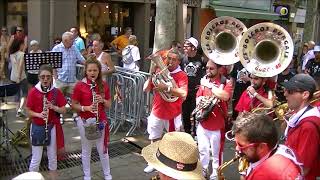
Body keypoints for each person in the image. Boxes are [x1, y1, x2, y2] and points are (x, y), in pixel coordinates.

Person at [143, 47, 188, 173]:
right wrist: (151, 74)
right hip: (157, 111)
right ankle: (153, 162)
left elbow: (183, 93)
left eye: (174, 60)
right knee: (154, 137)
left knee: (173, 140)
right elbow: (146, 89)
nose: (170, 62)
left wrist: (167, 88)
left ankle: (173, 164)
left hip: (173, 114)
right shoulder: (159, 70)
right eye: (169, 58)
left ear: (179, 62)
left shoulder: (182, 75)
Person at [72, 58, 112, 180]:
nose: (92, 73)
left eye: (95, 70)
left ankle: (107, 174)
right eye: (90, 70)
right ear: (86, 71)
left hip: (100, 121)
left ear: (99, 71)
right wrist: (86, 108)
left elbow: (109, 104)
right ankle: (87, 175)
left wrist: (103, 100)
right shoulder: (80, 85)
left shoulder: (103, 85)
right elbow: (73, 105)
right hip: (85, 121)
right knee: (86, 150)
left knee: (102, 149)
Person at [26, 64, 67, 179]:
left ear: (52, 78)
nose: (45, 79)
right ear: (38, 77)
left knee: (52, 157)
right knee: (36, 158)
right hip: (37, 127)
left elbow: (63, 110)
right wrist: (39, 114)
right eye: (43, 77)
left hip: (51, 127)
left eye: (48, 77)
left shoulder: (56, 92)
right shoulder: (33, 92)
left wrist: (53, 107)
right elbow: (28, 111)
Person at [232, 112, 302, 179]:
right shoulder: (285, 150)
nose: (237, 148)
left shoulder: (262, 175)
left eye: (241, 145)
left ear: (261, 147)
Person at [196, 60, 232, 179]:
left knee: (217, 153)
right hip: (203, 121)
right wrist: (200, 100)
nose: (208, 71)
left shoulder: (226, 82)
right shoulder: (204, 80)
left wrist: (209, 86)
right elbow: (198, 97)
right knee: (203, 150)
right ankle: (204, 169)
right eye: (207, 68)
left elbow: (225, 96)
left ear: (219, 69)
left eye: (211, 68)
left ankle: (216, 173)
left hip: (217, 124)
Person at [282, 73, 320, 180]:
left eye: (290, 91)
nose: (285, 94)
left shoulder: (308, 126)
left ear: (305, 95)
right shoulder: (299, 116)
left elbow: (303, 168)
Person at [52, 31, 85, 124]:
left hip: (72, 79)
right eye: (72, 40)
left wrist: (90, 64)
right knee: (58, 99)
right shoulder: (56, 48)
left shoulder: (74, 48)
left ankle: (75, 115)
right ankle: (60, 116)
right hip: (60, 79)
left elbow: (81, 59)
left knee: (75, 98)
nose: (73, 42)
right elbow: (53, 63)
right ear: (66, 40)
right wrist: (55, 76)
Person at [181, 37, 206, 134]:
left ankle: (196, 132)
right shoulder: (183, 59)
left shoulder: (202, 59)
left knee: (196, 113)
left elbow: (207, 73)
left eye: (186, 46)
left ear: (193, 47)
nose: (184, 48)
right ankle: (187, 132)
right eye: (184, 46)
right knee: (185, 113)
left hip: (197, 92)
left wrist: (202, 85)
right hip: (185, 91)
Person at [9, 39, 28, 117]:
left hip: (12, 76)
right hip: (21, 76)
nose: (24, 45)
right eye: (23, 44)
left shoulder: (11, 54)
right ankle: (20, 109)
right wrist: (19, 77)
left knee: (16, 94)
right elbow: (20, 66)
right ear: (20, 45)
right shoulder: (22, 54)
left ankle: (17, 111)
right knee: (24, 94)